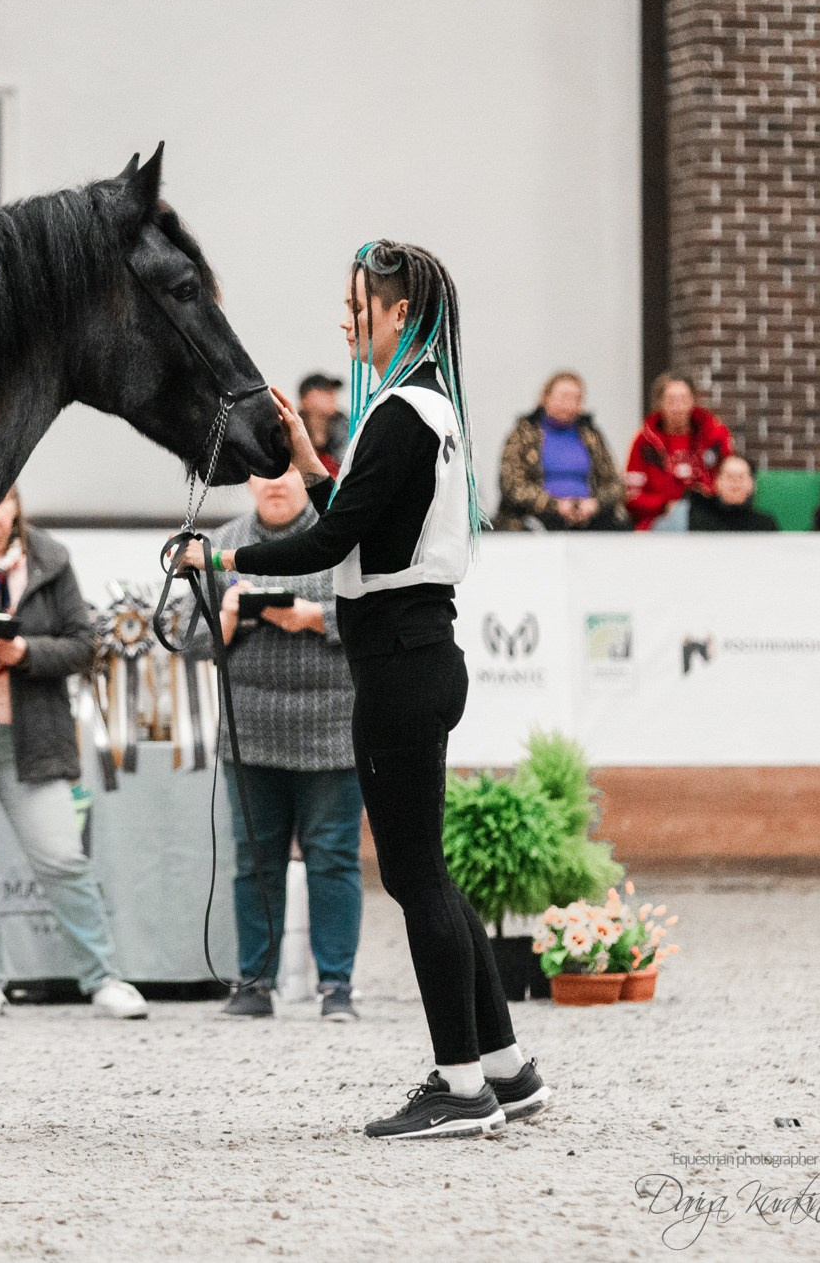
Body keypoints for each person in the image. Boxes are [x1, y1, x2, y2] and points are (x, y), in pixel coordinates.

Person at [180, 240, 547, 1140]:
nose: (347, 322)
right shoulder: (427, 407)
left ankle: (459, 1086)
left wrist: (221, 555)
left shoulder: (396, 413)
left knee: (415, 878)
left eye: (358, 307)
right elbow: (360, 518)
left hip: (397, 659)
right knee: (430, 870)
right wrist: (309, 456)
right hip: (419, 651)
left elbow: (326, 541)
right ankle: (505, 1068)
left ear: (397, 313)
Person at [0, 488, 147, 1020]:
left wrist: (23, 652)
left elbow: (85, 645)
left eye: (0, 503)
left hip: (33, 736)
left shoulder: (51, 560)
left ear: (16, 506)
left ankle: (103, 977)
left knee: (62, 858)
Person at [181, 465, 362, 1022]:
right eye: (264, 475)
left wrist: (315, 618)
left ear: (308, 476)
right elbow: (187, 640)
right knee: (254, 863)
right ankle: (254, 984)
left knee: (332, 861)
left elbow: (374, 618)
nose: (276, 485)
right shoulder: (221, 545)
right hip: (250, 734)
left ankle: (337, 988)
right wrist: (227, 616)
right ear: (250, 483)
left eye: (286, 473)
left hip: (332, 731)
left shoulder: (341, 535)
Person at [493, 370, 628, 530]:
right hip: (538, 515)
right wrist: (555, 505)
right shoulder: (524, 434)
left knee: (620, 524)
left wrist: (595, 504)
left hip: (588, 514)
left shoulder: (590, 434)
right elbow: (511, 485)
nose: (570, 404)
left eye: (576, 399)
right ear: (546, 397)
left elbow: (615, 483)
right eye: (564, 397)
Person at [623, 374, 732, 530]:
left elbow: (730, 478)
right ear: (660, 403)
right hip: (660, 520)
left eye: (684, 400)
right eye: (671, 401)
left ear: (694, 401)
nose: (678, 407)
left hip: (710, 514)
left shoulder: (714, 435)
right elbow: (632, 497)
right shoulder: (644, 442)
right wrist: (665, 505)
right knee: (682, 515)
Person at [687, 452, 779, 531]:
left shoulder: (765, 525)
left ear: (752, 484)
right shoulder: (700, 523)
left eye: (741, 477)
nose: (735, 482)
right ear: (717, 482)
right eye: (729, 476)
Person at [297, 371, 348, 476]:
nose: (332, 394)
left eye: (333, 390)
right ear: (305, 399)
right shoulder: (290, 433)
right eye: (324, 390)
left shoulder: (347, 429)